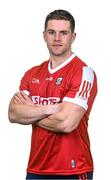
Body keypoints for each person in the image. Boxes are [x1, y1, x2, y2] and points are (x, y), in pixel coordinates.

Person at [8, 9, 97, 180]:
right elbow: (13, 113)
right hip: (36, 168)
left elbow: (66, 123)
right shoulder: (32, 73)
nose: (57, 38)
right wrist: (52, 108)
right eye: (51, 32)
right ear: (44, 35)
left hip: (73, 169)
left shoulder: (83, 72)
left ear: (73, 36)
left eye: (63, 33)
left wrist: (31, 111)